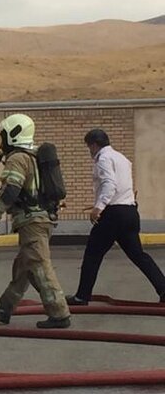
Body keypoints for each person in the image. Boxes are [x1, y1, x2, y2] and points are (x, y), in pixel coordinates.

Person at [0, 114, 71, 328]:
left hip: (32, 222)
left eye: (3, 136)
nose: (0, 141)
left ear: (13, 135)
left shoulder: (18, 158)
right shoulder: (32, 157)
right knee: (24, 267)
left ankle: (59, 314)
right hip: (42, 219)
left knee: (40, 266)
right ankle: (5, 307)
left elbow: (11, 190)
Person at [66, 129, 165, 305]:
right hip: (129, 212)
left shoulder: (103, 159)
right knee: (138, 255)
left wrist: (98, 207)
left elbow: (109, 184)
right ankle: (163, 289)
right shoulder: (122, 158)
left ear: (94, 145)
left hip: (113, 214)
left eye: (89, 147)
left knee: (92, 255)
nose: (89, 151)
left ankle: (82, 296)